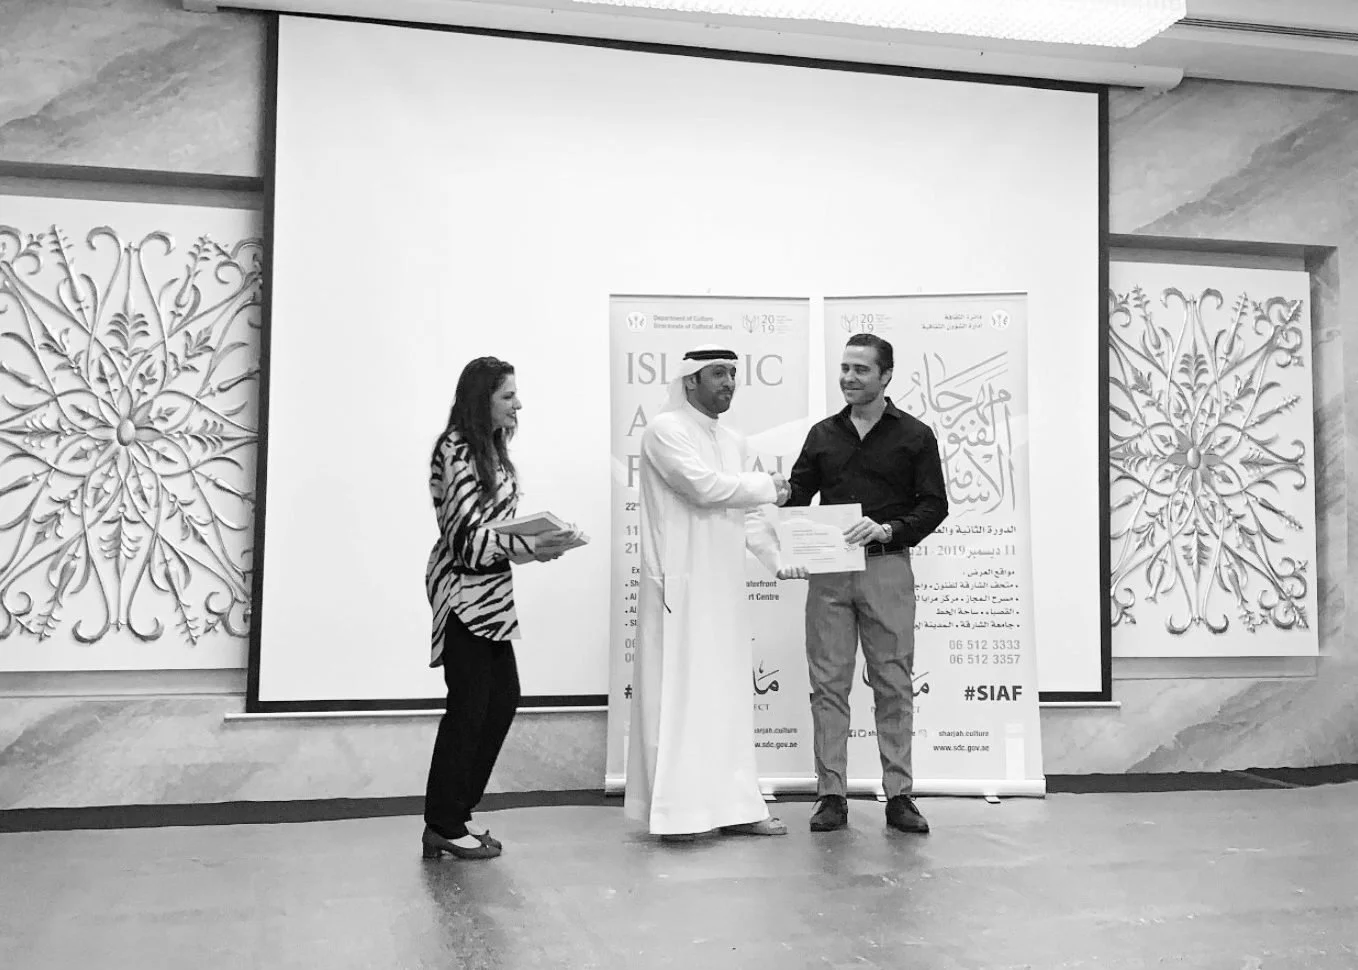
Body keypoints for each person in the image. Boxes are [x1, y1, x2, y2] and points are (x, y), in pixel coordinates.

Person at [624, 345, 793, 841]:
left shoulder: (733, 439)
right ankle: (679, 815)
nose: (729, 383)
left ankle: (738, 807)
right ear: (690, 380)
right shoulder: (665, 430)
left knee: (728, 700)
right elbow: (703, 488)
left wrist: (779, 561)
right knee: (681, 701)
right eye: (718, 374)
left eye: (733, 374)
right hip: (679, 590)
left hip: (724, 591)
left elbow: (747, 514)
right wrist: (767, 486)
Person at [783, 333, 948, 834]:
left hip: (887, 566)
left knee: (894, 683)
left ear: (886, 375)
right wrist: (779, 518)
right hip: (830, 572)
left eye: (860, 370)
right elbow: (797, 498)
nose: (849, 378)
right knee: (827, 685)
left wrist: (890, 529)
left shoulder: (915, 435)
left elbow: (934, 505)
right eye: (845, 368)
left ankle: (899, 795)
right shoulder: (822, 434)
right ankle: (830, 795)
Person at [422, 356, 582, 860]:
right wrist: (531, 545)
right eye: (507, 396)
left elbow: (492, 538)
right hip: (463, 598)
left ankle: (455, 813)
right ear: (482, 400)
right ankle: (444, 823)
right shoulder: (456, 449)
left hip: (491, 599)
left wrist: (540, 546)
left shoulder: (490, 450)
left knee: (500, 700)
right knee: (469, 709)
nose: (518, 405)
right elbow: (467, 543)